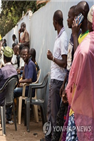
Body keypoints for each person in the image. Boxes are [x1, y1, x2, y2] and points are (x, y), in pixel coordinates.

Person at [65, 5, 94, 141]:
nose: (72, 19)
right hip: (77, 95)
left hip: (83, 100)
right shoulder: (82, 37)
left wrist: (75, 35)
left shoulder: (87, 42)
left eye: (75, 16)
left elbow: (79, 63)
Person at [46, 10, 68, 141]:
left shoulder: (63, 38)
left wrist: (52, 58)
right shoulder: (59, 36)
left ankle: (53, 138)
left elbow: (65, 63)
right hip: (54, 79)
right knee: (50, 111)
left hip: (58, 80)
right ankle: (48, 137)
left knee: (54, 113)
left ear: (55, 22)